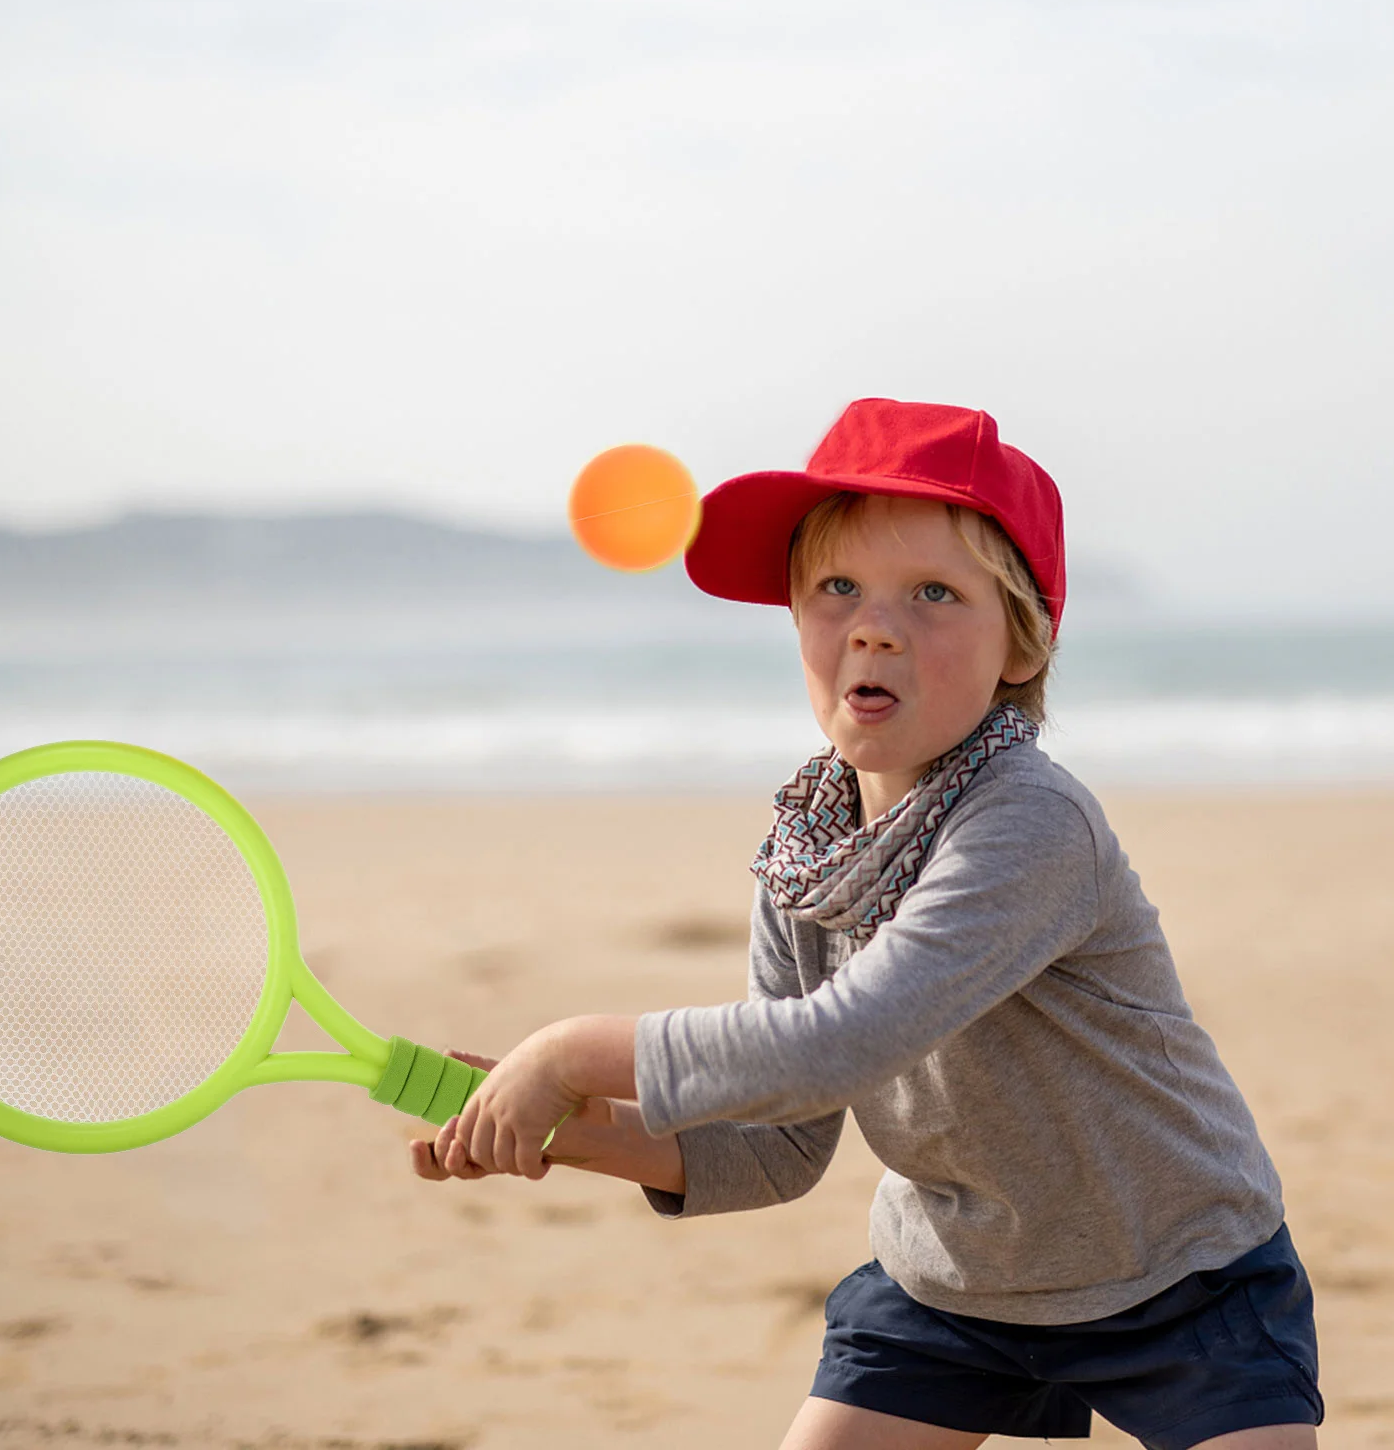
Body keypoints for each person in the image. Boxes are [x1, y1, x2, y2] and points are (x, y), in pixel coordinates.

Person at [409, 398, 1325, 1449]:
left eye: (934, 592)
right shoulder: (808, 852)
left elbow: (840, 1042)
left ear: (1021, 646)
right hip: (953, 1286)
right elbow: (777, 1147)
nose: (873, 626)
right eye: (836, 587)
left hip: (1179, 1276)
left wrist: (569, 1052)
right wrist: (562, 1128)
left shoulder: (1029, 819)